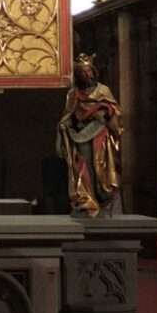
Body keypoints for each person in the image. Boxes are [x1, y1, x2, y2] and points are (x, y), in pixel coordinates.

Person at [57, 53, 122, 217]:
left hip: (99, 135)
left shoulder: (103, 90)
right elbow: (67, 116)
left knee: (100, 167)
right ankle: (86, 201)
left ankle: (103, 198)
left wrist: (106, 113)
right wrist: (65, 125)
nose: (86, 75)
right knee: (82, 168)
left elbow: (115, 113)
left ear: (93, 72)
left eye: (88, 71)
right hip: (80, 136)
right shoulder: (73, 94)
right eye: (82, 73)